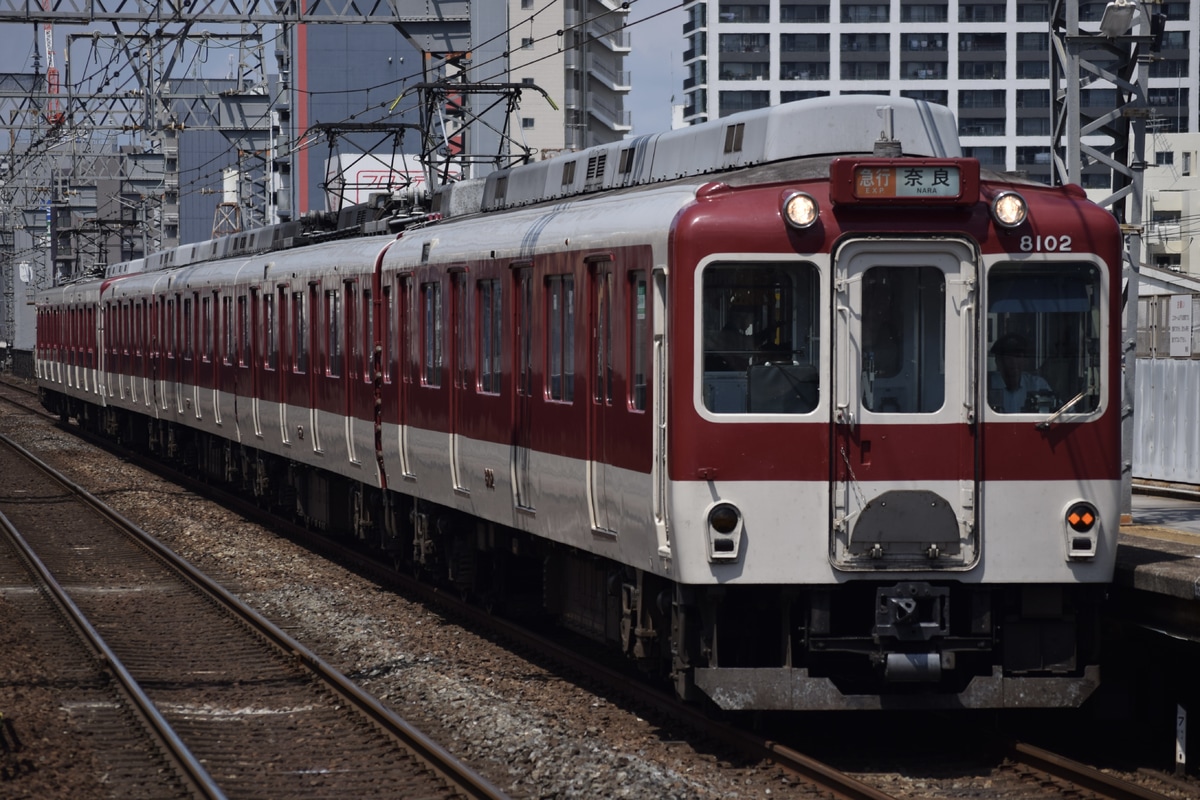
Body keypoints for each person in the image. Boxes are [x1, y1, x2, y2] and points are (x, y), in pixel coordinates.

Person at [989, 332, 1053, 413]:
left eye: (1018, 356)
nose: (1014, 362)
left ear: (1025, 360)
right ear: (998, 361)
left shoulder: (1037, 385)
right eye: (1009, 357)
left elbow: (1063, 412)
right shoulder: (987, 386)